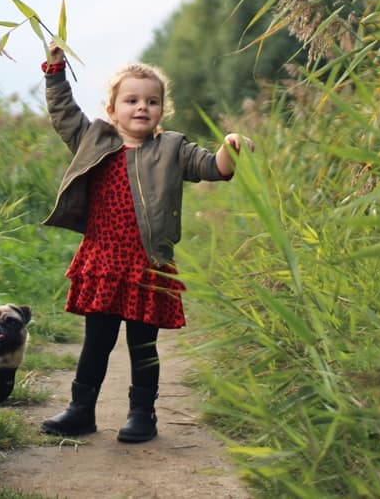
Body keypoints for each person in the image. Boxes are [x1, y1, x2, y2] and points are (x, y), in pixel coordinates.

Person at [39, 42, 254, 443]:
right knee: (96, 344)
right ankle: (81, 410)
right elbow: (63, 112)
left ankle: (142, 414)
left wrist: (231, 145)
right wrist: (55, 72)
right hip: (103, 260)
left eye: (152, 101)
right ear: (112, 109)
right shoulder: (92, 139)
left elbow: (214, 168)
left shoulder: (172, 149)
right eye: (132, 100)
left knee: (143, 347)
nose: (142, 107)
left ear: (162, 110)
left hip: (147, 265)